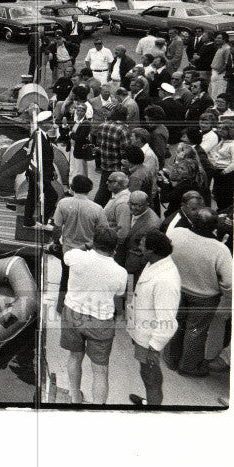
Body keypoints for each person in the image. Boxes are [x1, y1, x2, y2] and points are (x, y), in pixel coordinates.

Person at [59, 226, 128, 405]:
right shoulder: (120, 272)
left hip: (73, 313)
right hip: (100, 320)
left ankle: (75, 397)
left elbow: (67, 255)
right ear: (115, 248)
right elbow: (119, 293)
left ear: (94, 243)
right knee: (100, 370)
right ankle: (98, 408)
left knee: (74, 356)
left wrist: (86, 246)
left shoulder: (77, 257)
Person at [165, 209, 233, 377]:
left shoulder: (177, 233)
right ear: (214, 227)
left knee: (177, 323)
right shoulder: (220, 249)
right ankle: (189, 366)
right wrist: (226, 296)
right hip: (204, 296)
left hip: (178, 288)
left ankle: (171, 359)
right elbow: (229, 282)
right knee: (196, 331)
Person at [127, 229, 181, 406]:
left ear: (152, 251)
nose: (139, 247)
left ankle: (153, 410)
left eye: (142, 245)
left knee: (152, 378)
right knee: (147, 373)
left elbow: (167, 320)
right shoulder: (155, 263)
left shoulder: (165, 280)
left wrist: (154, 348)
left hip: (151, 340)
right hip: (144, 334)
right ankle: (150, 402)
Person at [52, 174, 108, 312]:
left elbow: (57, 227)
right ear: (89, 189)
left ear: (71, 187)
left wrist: (55, 242)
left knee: (65, 278)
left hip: (68, 249)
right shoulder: (97, 209)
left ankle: (61, 306)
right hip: (87, 250)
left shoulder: (63, 204)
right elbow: (103, 231)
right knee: (84, 280)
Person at [23, 110, 58, 227]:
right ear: (43, 123)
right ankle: (41, 221)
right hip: (38, 173)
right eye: (50, 122)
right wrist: (37, 174)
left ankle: (30, 221)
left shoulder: (43, 135)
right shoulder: (38, 136)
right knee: (52, 197)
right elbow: (34, 156)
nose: (52, 125)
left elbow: (47, 156)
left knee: (32, 196)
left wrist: (52, 170)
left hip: (42, 172)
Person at [91, 105, 128, 206]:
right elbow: (124, 151)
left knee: (103, 190)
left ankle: (97, 209)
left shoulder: (102, 126)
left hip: (105, 164)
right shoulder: (122, 130)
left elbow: (99, 143)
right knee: (118, 194)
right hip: (117, 167)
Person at [122, 190, 161, 279]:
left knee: (130, 289)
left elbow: (148, 252)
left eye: (137, 205)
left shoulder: (152, 224)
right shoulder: (131, 212)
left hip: (135, 268)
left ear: (147, 204)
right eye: (130, 203)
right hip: (125, 261)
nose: (132, 207)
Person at [62, 100, 95, 181]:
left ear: (85, 112)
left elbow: (80, 138)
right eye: (78, 110)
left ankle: (80, 187)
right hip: (73, 148)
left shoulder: (85, 123)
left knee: (80, 170)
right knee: (72, 168)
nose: (79, 112)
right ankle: (71, 188)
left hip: (80, 150)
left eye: (82, 111)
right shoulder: (76, 121)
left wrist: (70, 134)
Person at [208, 119, 234, 210]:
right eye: (219, 128)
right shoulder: (222, 142)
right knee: (217, 195)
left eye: (223, 129)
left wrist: (224, 172)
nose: (220, 131)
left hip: (226, 173)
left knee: (225, 197)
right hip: (218, 171)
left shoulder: (233, 144)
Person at [103, 171, 132, 247]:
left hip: (111, 244)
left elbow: (123, 230)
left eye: (110, 181)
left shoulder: (123, 203)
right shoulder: (118, 196)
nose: (106, 183)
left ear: (118, 184)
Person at [209, 31, 231, 98]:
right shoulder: (220, 48)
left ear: (224, 39)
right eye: (216, 38)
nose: (216, 39)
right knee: (213, 90)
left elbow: (227, 62)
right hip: (215, 71)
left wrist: (219, 72)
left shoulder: (227, 48)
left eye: (219, 38)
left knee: (218, 90)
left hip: (220, 73)